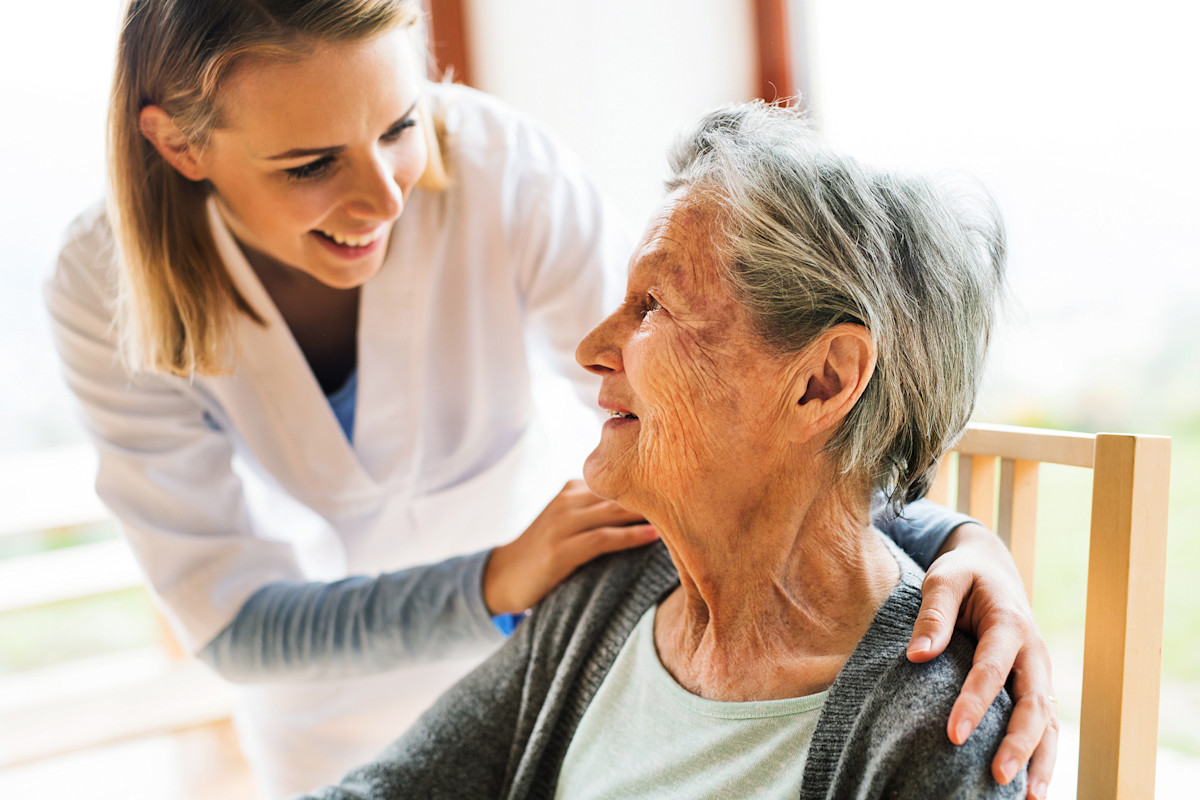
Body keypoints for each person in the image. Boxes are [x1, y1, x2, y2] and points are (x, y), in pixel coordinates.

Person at [45, 2, 1054, 797]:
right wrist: (499, 582)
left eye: (402, 125)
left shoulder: (498, 170)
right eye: (310, 164)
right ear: (181, 146)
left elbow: (752, 417)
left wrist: (952, 535)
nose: (389, 196)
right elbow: (238, 622)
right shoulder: (101, 288)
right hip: (370, 695)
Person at [299, 101, 1027, 799]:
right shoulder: (608, 585)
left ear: (821, 381)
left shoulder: (938, 725)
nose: (590, 349)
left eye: (653, 306)